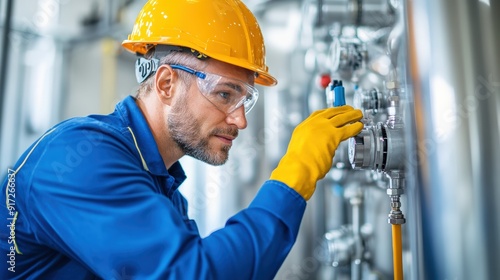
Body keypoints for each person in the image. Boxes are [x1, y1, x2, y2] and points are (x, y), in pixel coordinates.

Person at [0, 0, 363, 279]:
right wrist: (296, 173)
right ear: (166, 83)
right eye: (224, 95)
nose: (239, 119)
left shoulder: (161, 188)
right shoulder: (81, 160)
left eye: (245, 101)